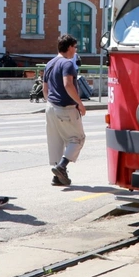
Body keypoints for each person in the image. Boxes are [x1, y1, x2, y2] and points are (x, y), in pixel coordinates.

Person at [44, 34, 87, 187]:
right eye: (75, 47)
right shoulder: (67, 64)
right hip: (65, 107)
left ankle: (57, 177)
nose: (76, 50)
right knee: (77, 139)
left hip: (50, 106)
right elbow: (68, 84)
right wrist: (79, 103)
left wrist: (50, 101)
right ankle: (61, 167)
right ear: (69, 47)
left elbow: (45, 89)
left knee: (56, 141)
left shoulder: (49, 63)